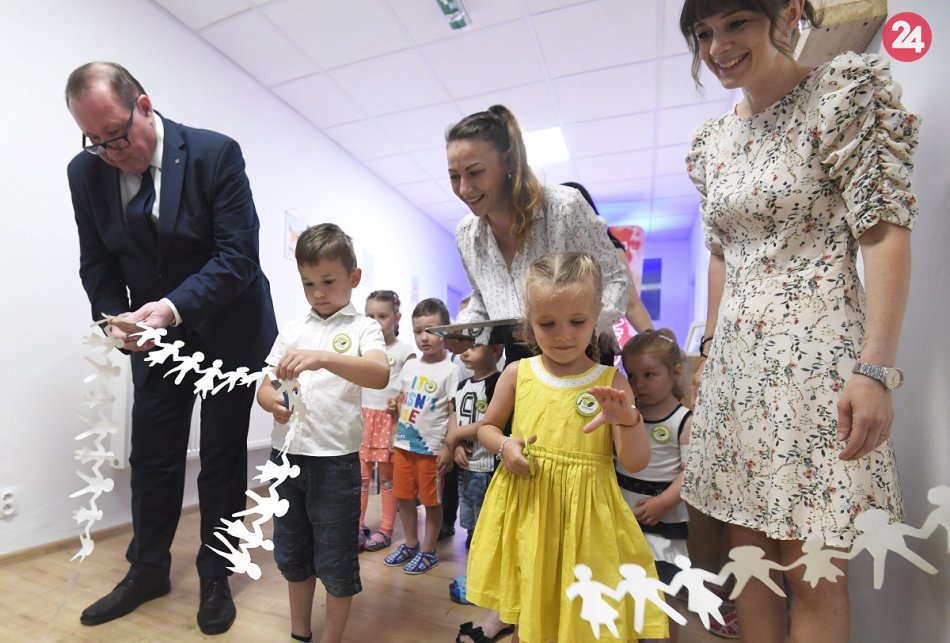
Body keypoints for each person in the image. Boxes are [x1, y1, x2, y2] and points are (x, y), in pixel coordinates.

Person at [679, 0, 919, 641]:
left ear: (785, 13)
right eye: (703, 32)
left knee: (813, 572)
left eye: (736, 23)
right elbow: (721, 255)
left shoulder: (839, 95)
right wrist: (708, 352)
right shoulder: (712, 143)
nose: (717, 47)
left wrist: (875, 369)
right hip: (736, 371)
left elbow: (884, 232)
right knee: (749, 561)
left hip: (815, 368)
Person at [65, 61, 278, 634]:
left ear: (144, 105)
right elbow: (97, 260)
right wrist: (113, 318)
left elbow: (237, 256)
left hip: (230, 326)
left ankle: (216, 575)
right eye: (94, 140)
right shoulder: (85, 172)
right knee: (153, 456)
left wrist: (172, 307)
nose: (109, 152)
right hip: (154, 338)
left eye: (116, 136)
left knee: (223, 458)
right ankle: (147, 571)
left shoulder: (214, 154)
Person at [467, 252, 668, 642]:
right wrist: (505, 445)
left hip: (586, 522)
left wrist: (627, 420)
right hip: (529, 512)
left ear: (596, 317)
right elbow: (487, 428)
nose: (563, 335)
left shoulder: (612, 382)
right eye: (548, 323)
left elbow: (636, 462)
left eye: (577, 322)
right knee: (529, 608)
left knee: (582, 615)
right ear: (529, 322)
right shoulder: (517, 373)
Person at [257, 223, 389, 643]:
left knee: (335, 559)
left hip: (335, 463)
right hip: (286, 459)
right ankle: (300, 633)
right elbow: (265, 384)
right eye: (308, 283)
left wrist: (324, 357)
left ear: (354, 277)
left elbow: (379, 373)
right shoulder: (292, 328)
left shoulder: (365, 328)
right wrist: (272, 403)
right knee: (292, 553)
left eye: (328, 282)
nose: (318, 293)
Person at [445, 105, 630, 362]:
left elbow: (614, 280)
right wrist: (467, 329)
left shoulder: (564, 207)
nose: (464, 189)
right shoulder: (467, 234)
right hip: (521, 360)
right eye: (454, 176)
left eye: (475, 172)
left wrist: (579, 328)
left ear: (508, 162)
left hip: (585, 355)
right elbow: (483, 296)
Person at [618, 329, 693, 642]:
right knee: (626, 589)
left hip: (664, 522)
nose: (639, 384)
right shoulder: (626, 415)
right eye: (632, 375)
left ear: (674, 373)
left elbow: (691, 473)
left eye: (649, 375)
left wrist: (663, 502)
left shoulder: (683, 420)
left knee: (662, 595)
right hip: (624, 517)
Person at [383, 298, 460, 574]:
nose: (424, 337)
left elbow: (453, 411)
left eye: (431, 330)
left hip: (431, 450)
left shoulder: (451, 370)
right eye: (418, 331)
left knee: (431, 501)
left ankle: (429, 551)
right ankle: (411, 543)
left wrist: (449, 446)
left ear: (445, 331)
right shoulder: (410, 366)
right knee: (404, 497)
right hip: (404, 445)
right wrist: (394, 425)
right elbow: (400, 402)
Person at [360, 290, 416, 553]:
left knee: (387, 480)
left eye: (382, 316)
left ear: (397, 318)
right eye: (369, 316)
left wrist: (399, 406)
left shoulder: (405, 352)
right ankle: (357, 527)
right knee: (361, 479)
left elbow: (412, 389)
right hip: (363, 420)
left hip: (389, 422)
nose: (375, 322)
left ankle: (385, 529)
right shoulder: (362, 348)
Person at [562, 181, 654, 333]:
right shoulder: (546, 251)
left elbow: (631, 305)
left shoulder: (609, 250)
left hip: (593, 337)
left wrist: (656, 341)